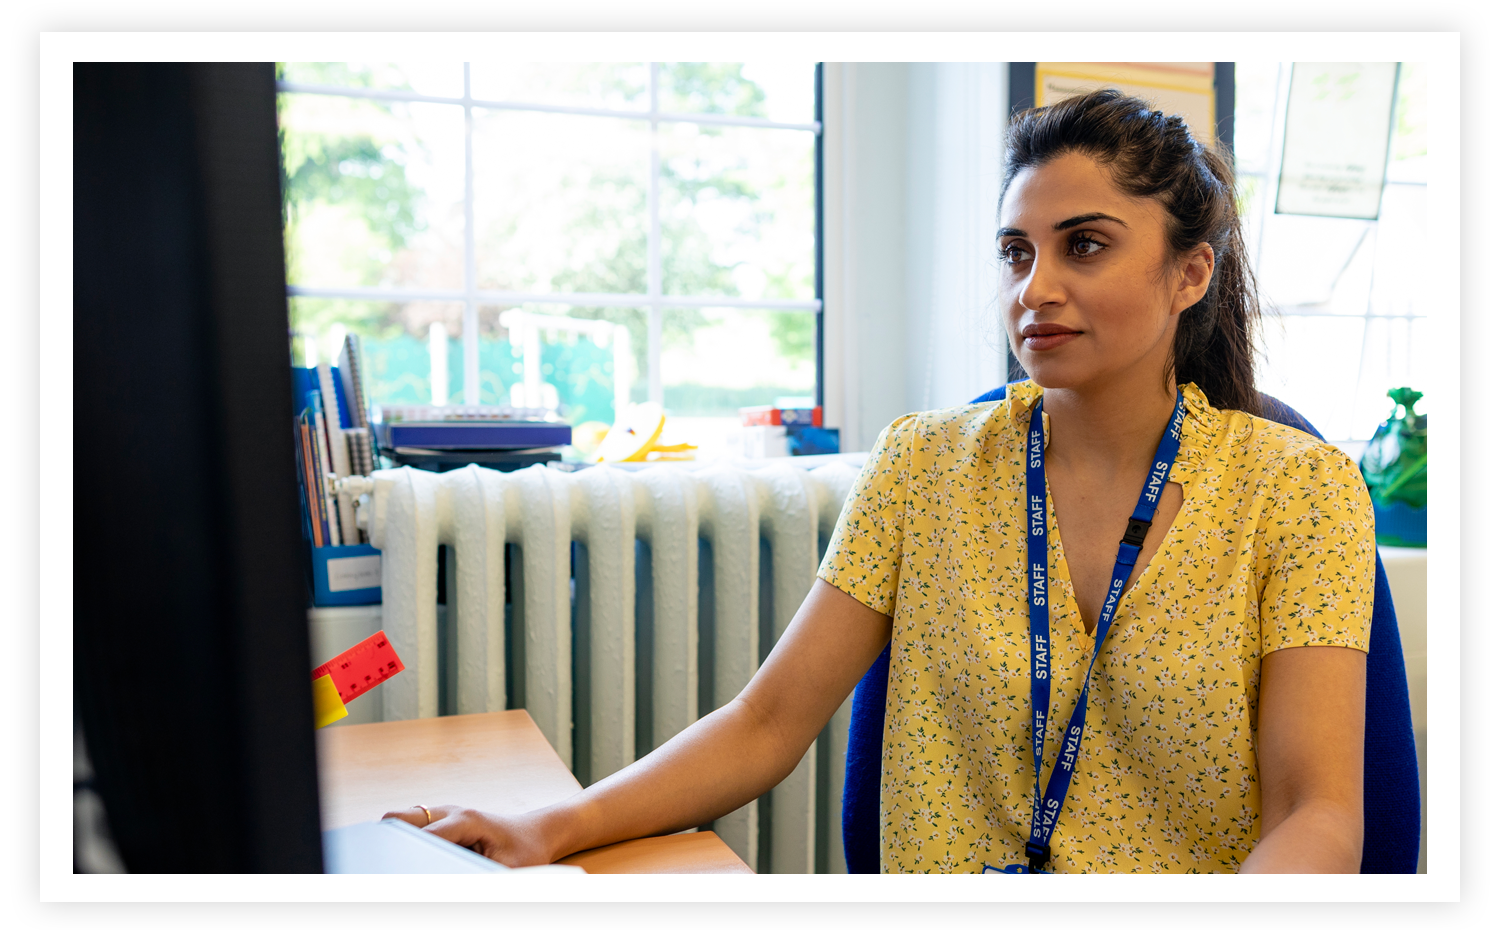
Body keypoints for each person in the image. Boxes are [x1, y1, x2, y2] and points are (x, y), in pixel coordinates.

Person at [383, 90, 1374, 874]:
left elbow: (1315, 812)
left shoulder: (1299, 490)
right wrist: (549, 827)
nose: (1035, 290)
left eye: (1086, 244)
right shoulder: (923, 464)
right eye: (1016, 253)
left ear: (1189, 274)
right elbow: (768, 722)